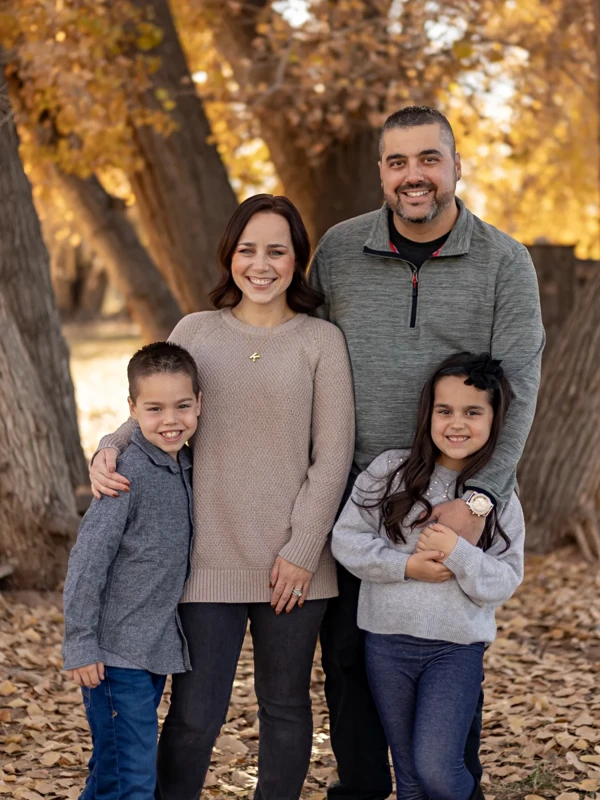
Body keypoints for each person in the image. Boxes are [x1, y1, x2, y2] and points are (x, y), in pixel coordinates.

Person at [311, 106, 544, 799]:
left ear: (455, 165)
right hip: (360, 491)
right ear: (382, 172)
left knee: (450, 658)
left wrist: (480, 498)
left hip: (454, 492)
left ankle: (448, 786)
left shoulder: (506, 261)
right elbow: (296, 355)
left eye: (428, 159)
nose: (414, 176)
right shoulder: (339, 250)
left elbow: (521, 384)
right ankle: (361, 790)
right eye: (397, 162)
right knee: (350, 663)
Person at [89, 194, 355, 800]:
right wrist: (109, 445)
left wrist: (304, 549)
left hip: (295, 566)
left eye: (277, 251)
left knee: (285, 708)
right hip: (207, 559)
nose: (261, 265)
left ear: (297, 260)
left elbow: (332, 456)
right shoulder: (197, 331)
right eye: (247, 250)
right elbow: (159, 407)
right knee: (194, 715)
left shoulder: (321, 342)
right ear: (229, 256)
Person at [331, 352, 525, 800]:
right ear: (428, 414)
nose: (457, 424)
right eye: (445, 411)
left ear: (495, 420)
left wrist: (459, 553)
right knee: (411, 779)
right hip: (386, 642)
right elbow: (347, 540)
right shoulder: (389, 472)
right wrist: (405, 566)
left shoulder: (497, 496)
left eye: (473, 412)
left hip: (454, 650)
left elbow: (506, 577)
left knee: (437, 767)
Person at [62, 341, 201, 800]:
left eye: (183, 406)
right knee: (132, 783)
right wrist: (81, 642)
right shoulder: (125, 472)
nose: (171, 420)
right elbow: (87, 561)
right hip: (113, 655)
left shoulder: (185, 462)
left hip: (148, 651)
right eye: (154, 408)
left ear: (199, 403)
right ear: (132, 409)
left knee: (113, 772)